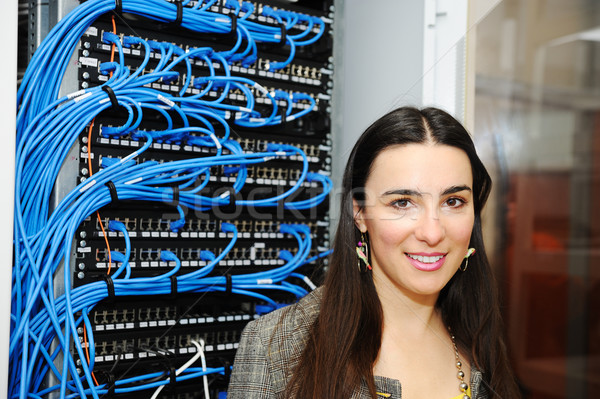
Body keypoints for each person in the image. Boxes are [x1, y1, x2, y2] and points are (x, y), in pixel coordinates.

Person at [227, 107, 520, 398]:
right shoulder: (275, 346)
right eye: (403, 203)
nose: (432, 233)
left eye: (453, 201)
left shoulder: (481, 336)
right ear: (360, 213)